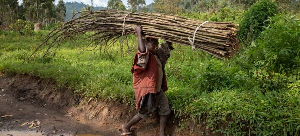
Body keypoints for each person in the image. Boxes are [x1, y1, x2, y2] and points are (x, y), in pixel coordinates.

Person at [121, 25, 173, 136]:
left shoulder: (156, 55)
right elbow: (142, 51)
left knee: (165, 110)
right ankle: (126, 126)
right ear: (145, 44)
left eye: (156, 44)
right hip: (148, 91)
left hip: (158, 90)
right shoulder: (144, 56)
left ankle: (161, 133)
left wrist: (169, 37)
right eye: (153, 44)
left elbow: (164, 50)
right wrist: (139, 34)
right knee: (144, 112)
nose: (155, 46)